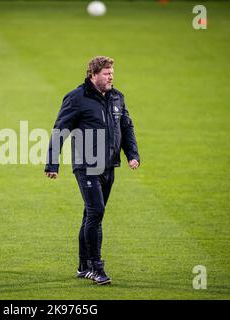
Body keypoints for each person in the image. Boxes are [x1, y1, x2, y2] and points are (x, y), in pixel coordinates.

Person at [44, 56, 140, 285]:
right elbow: (60, 130)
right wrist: (52, 163)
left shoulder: (117, 98)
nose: (111, 77)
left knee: (91, 214)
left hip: (108, 165)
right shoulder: (77, 98)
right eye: (106, 74)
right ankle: (97, 267)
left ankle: (82, 266)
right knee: (96, 212)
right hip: (86, 165)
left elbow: (126, 127)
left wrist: (132, 155)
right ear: (93, 75)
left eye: (112, 73)